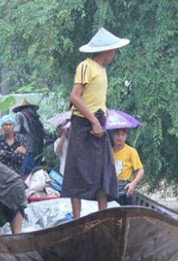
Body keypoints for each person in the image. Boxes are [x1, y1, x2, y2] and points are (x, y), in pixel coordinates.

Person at [60, 27, 130, 218]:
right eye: (113, 51)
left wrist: (101, 118)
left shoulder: (102, 70)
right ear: (107, 51)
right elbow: (75, 97)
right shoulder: (86, 66)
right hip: (84, 123)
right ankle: (77, 218)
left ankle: (102, 216)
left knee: (104, 169)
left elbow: (96, 98)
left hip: (98, 120)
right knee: (76, 169)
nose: (114, 55)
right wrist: (93, 122)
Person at [110, 128, 144, 204]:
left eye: (122, 135)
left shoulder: (131, 151)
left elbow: (141, 170)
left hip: (125, 188)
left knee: (125, 214)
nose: (120, 137)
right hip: (111, 188)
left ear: (126, 136)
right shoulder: (109, 152)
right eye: (117, 134)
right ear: (112, 135)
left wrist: (133, 183)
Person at [13, 99, 45, 175]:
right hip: (39, 149)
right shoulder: (35, 117)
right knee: (35, 172)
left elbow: (17, 131)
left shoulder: (19, 115)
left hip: (27, 149)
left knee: (27, 172)